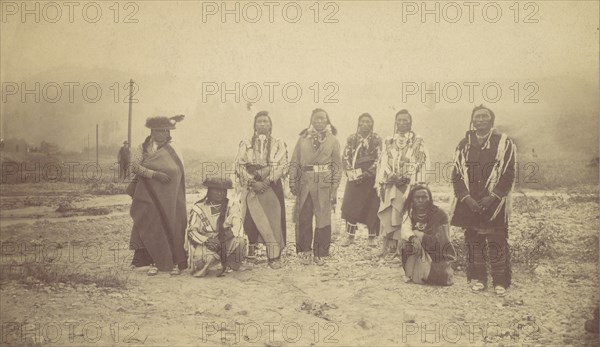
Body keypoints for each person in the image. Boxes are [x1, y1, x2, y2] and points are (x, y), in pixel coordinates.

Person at [450, 105, 516, 296]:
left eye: (484, 116)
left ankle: (500, 281)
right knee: (473, 240)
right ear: (472, 120)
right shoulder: (464, 143)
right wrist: (466, 198)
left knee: (497, 239)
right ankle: (478, 278)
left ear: (491, 120)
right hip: (470, 199)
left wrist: (493, 196)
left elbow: (508, 173)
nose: (480, 120)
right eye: (477, 116)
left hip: (494, 201)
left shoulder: (503, 143)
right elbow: (456, 174)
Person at [129, 115, 187, 276]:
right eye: (157, 130)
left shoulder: (174, 148)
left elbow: (178, 171)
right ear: (152, 131)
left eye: (164, 130)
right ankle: (152, 261)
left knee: (173, 222)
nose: (161, 134)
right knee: (151, 223)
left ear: (169, 132)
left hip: (170, 195)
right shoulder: (143, 147)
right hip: (148, 193)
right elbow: (134, 166)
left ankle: (175, 262)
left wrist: (167, 176)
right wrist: (154, 174)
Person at [234, 111, 287, 269]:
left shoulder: (279, 143)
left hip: (271, 186)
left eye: (266, 122)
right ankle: (251, 254)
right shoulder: (245, 143)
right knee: (250, 219)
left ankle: (274, 256)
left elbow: (281, 165)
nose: (263, 124)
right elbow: (239, 164)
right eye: (259, 122)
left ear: (271, 125)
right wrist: (252, 182)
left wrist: (267, 181)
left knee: (273, 219)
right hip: (252, 186)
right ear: (254, 125)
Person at [289, 108, 342, 266]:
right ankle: (304, 251)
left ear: (327, 121)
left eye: (322, 119)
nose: (319, 121)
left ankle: (321, 252)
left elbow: (337, 167)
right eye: (316, 119)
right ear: (311, 120)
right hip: (305, 183)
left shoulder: (333, 140)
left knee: (323, 219)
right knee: (304, 217)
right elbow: (294, 162)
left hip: (323, 185)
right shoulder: (303, 138)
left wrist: (334, 190)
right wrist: (293, 181)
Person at [376, 109, 428, 258]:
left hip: (406, 184)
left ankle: (401, 248)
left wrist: (405, 177)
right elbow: (383, 160)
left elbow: (420, 161)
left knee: (403, 213)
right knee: (388, 211)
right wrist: (389, 175)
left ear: (410, 122)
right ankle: (388, 246)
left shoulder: (417, 141)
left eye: (406, 120)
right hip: (390, 182)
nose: (402, 123)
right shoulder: (389, 140)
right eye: (399, 120)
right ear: (395, 122)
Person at [186, 177, 247, 277]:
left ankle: (230, 265)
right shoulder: (199, 207)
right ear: (209, 191)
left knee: (239, 241)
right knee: (200, 260)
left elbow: (237, 226)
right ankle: (214, 264)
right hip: (207, 242)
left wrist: (220, 240)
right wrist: (206, 241)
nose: (220, 193)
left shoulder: (231, 206)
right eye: (216, 190)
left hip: (225, 240)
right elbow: (191, 231)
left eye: (223, 190)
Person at [400, 184, 456, 286]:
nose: (421, 200)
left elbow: (442, 241)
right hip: (418, 250)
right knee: (405, 244)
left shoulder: (440, 214)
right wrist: (413, 238)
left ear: (430, 198)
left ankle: (422, 272)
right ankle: (412, 271)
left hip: (438, 253)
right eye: (417, 197)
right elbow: (405, 229)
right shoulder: (410, 213)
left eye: (424, 197)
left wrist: (420, 235)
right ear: (412, 199)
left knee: (441, 278)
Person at [340, 113, 382, 247]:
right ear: (358, 123)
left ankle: (372, 237)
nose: (365, 124)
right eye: (362, 121)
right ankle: (350, 236)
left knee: (372, 205)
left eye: (368, 122)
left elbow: (379, 159)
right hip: (355, 177)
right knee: (351, 206)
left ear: (372, 124)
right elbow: (345, 157)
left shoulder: (376, 139)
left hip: (371, 178)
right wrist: (353, 175)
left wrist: (367, 174)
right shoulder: (352, 139)